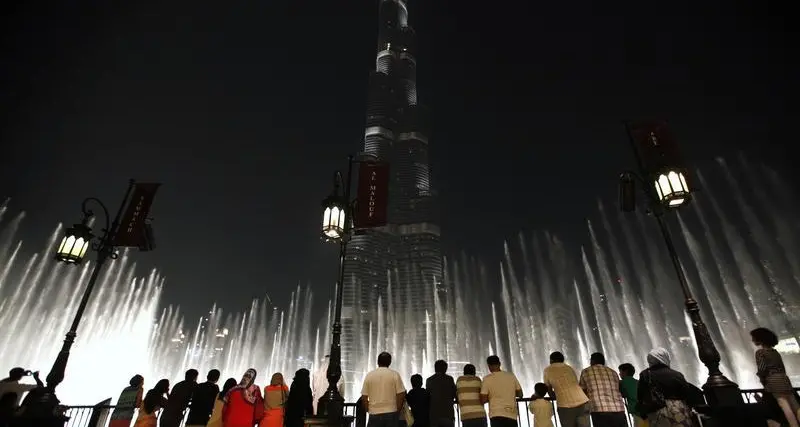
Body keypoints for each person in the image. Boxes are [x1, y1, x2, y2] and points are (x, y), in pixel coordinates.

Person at [751, 327, 800, 427]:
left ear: (760, 339)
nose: (752, 340)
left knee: (784, 406)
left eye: (753, 338)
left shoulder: (760, 353)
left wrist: (762, 378)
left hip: (773, 382)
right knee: (795, 405)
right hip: (784, 380)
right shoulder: (775, 352)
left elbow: (762, 369)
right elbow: (782, 368)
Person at [636, 348, 694, 427]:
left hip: (656, 410)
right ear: (666, 357)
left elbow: (640, 395)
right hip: (677, 409)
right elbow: (687, 393)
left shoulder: (645, 374)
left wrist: (643, 412)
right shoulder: (676, 374)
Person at [579, 353, 627, 427]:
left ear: (593, 361)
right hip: (618, 409)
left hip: (599, 409)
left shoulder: (586, 371)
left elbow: (582, 390)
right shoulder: (613, 372)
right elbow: (618, 388)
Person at [543, 352, 589, 427]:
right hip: (583, 402)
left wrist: (555, 395)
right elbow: (575, 384)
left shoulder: (547, 370)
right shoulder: (569, 368)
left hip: (565, 405)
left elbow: (548, 389)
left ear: (551, 360)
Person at [360, 352, 406, 427]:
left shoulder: (369, 375)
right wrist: (397, 410)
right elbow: (401, 394)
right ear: (390, 362)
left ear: (377, 362)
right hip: (391, 413)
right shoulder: (395, 375)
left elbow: (364, 396)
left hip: (374, 414)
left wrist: (368, 409)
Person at [479, 355, 522, 427]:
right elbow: (520, 394)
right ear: (500, 364)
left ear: (489, 366)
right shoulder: (511, 376)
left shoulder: (487, 379)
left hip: (496, 414)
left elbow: (483, 399)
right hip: (511, 413)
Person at [427, 360, 457, 427]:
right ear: (445, 369)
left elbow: (428, 396)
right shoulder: (449, 379)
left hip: (434, 415)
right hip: (448, 413)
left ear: (435, 368)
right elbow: (454, 393)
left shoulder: (429, 380)